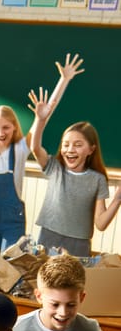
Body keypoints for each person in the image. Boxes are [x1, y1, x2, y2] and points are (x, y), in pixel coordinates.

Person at [0, 54, 84, 249]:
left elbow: (44, 115)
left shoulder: (21, 148)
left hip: (12, 222)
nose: (0, 133)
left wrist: (63, 80)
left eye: (6, 128)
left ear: (15, 127)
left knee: (13, 260)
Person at [28, 90, 121, 257]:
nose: (70, 150)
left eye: (78, 145)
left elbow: (100, 223)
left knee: (72, 282)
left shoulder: (97, 179)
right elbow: (35, 148)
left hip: (79, 244)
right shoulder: (55, 168)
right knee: (45, 280)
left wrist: (117, 199)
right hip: (48, 236)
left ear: (91, 150)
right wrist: (40, 120)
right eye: (66, 144)